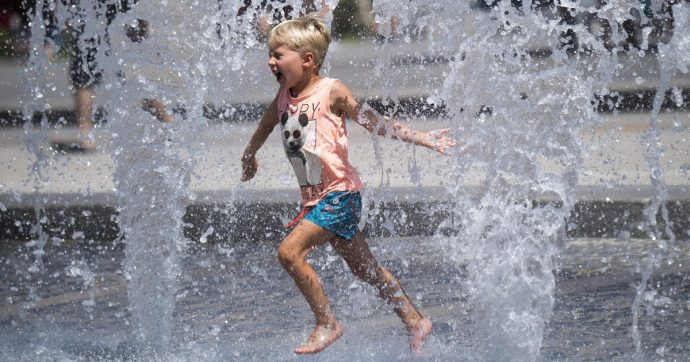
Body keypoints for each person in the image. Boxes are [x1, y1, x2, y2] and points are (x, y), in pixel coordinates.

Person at [240, 15, 456, 355]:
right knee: (365, 269)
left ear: (307, 60)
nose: (271, 61)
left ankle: (327, 322)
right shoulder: (284, 95)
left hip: (339, 196)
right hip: (317, 201)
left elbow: (373, 121)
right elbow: (266, 124)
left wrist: (422, 138)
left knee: (289, 253)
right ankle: (415, 320)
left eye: (278, 55)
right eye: (271, 55)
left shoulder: (331, 91)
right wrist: (249, 155)